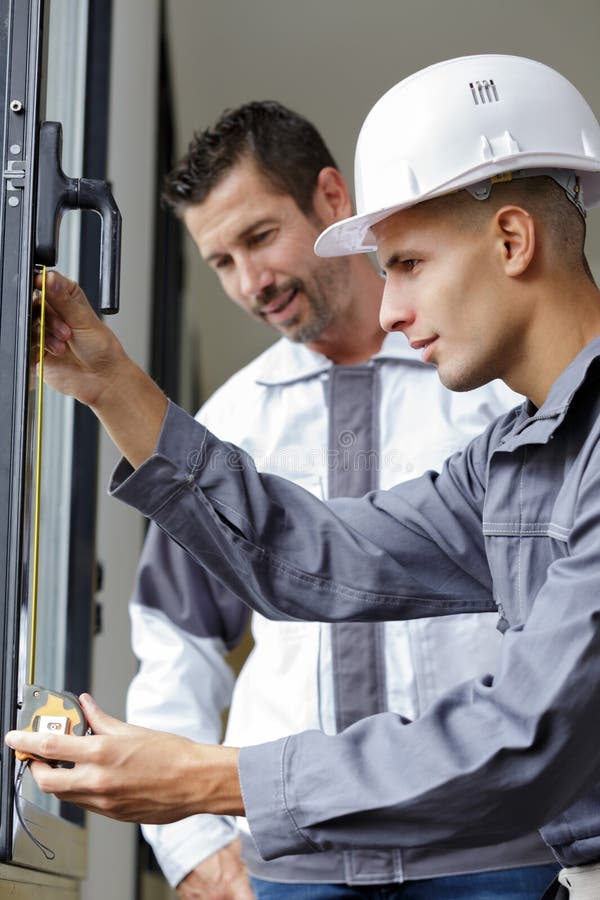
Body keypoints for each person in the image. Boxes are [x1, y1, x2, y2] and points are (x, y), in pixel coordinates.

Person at [7, 53, 600, 900]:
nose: (391, 310)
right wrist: (109, 384)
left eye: (408, 265)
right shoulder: (517, 458)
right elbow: (320, 556)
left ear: (512, 239)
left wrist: (209, 780)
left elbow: (526, 737)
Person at [127, 102, 553, 899]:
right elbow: (172, 640)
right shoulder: (225, 427)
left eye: (258, 238)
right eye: (220, 262)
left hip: (496, 854)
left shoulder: (493, 385)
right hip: (294, 869)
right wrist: (192, 849)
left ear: (332, 199)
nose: (251, 284)